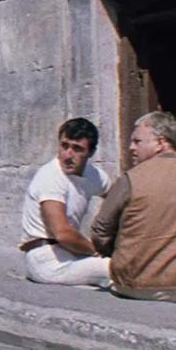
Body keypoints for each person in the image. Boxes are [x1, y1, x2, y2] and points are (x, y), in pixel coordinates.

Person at [91, 111, 176, 305]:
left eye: (137, 141)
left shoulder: (131, 179)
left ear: (161, 143)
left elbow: (99, 232)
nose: (131, 148)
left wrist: (118, 253)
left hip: (137, 285)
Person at [19, 118, 111, 288]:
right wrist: (96, 251)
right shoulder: (50, 177)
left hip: (71, 252)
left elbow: (117, 199)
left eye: (77, 149)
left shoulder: (94, 175)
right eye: (64, 146)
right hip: (46, 260)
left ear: (91, 152)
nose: (68, 155)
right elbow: (63, 234)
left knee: (120, 264)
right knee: (115, 268)